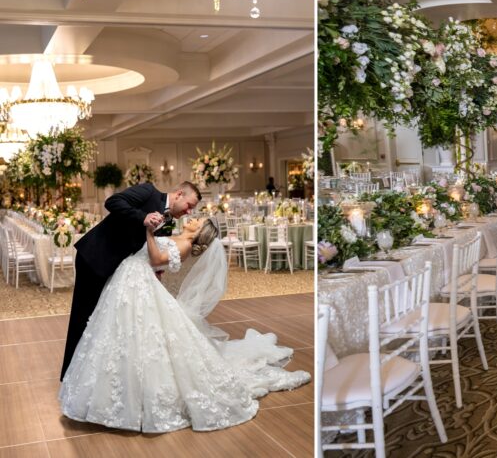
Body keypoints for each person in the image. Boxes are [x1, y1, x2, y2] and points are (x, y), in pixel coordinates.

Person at [59, 218, 310, 432]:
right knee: (120, 333)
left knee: (142, 334)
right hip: (131, 277)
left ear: (199, 233)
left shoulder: (186, 244)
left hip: (137, 279)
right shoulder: (179, 236)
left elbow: (157, 257)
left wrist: (148, 231)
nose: (193, 219)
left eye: (197, 222)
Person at [61, 181, 200, 380]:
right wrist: (143, 217)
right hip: (95, 257)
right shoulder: (149, 191)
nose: (189, 212)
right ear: (179, 194)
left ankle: (99, 376)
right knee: (83, 317)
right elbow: (113, 202)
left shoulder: (169, 221)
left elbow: (153, 250)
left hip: (121, 270)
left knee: (102, 322)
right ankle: (70, 376)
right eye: (189, 205)